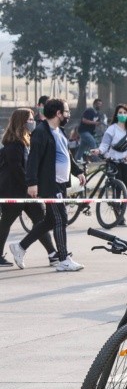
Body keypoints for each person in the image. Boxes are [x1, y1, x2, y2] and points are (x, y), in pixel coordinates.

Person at [9, 99, 86, 272]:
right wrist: (32, 183)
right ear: (58, 113)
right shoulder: (41, 132)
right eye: (66, 112)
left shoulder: (60, 131)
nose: (68, 115)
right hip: (49, 184)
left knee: (50, 220)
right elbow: (33, 160)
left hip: (60, 184)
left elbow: (67, 156)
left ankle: (20, 247)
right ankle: (64, 258)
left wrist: (78, 171)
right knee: (61, 219)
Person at [0, 109, 58, 268]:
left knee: (41, 220)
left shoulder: (26, 140)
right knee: (5, 223)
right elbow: (16, 169)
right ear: (22, 121)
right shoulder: (14, 143)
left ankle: (53, 254)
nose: (33, 122)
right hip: (14, 191)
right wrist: (30, 185)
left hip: (25, 191)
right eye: (30, 119)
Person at [91, 104, 127, 227]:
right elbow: (104, 145)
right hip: (113, 162)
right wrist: (99, 151)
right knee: (117, 189)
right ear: (116, 114)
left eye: (125, 113)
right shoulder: (111, 129)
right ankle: (119, 215)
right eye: (120, 112)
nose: (122, 115)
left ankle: (120, 208)